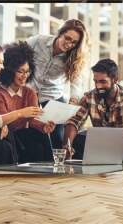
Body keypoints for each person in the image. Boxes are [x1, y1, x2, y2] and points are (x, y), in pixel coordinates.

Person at [0, 41, 55, 163]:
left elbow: (33, 119)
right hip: (6, 136)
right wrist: (22, 113)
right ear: (9, 71)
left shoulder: (29, 92)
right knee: (30, 138)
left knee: (41, 135)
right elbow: (3, 122)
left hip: (24, 136)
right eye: (20, 71)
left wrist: (44, 126)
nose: (25, 75)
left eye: (27, 71)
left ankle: (50, 171)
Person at [26, 19, 88, 149]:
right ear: (60, 33)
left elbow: (76, 83)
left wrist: (74, 99)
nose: (69, 44)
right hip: (30, 95)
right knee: (32, 137)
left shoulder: (74, 57)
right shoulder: (38, 41)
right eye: (67, 38)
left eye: (74, 42)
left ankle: (56, 167)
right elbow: (18, 55)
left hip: (53, 99)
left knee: (55, 138)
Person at [63, 59, 123, 163]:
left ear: (115, 79)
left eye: (103, 81)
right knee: (76, 138)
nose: (98, 86)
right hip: (100, 145)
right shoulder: (89, 97)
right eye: (96, 81)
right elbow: (74, 121)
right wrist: (67, 145)